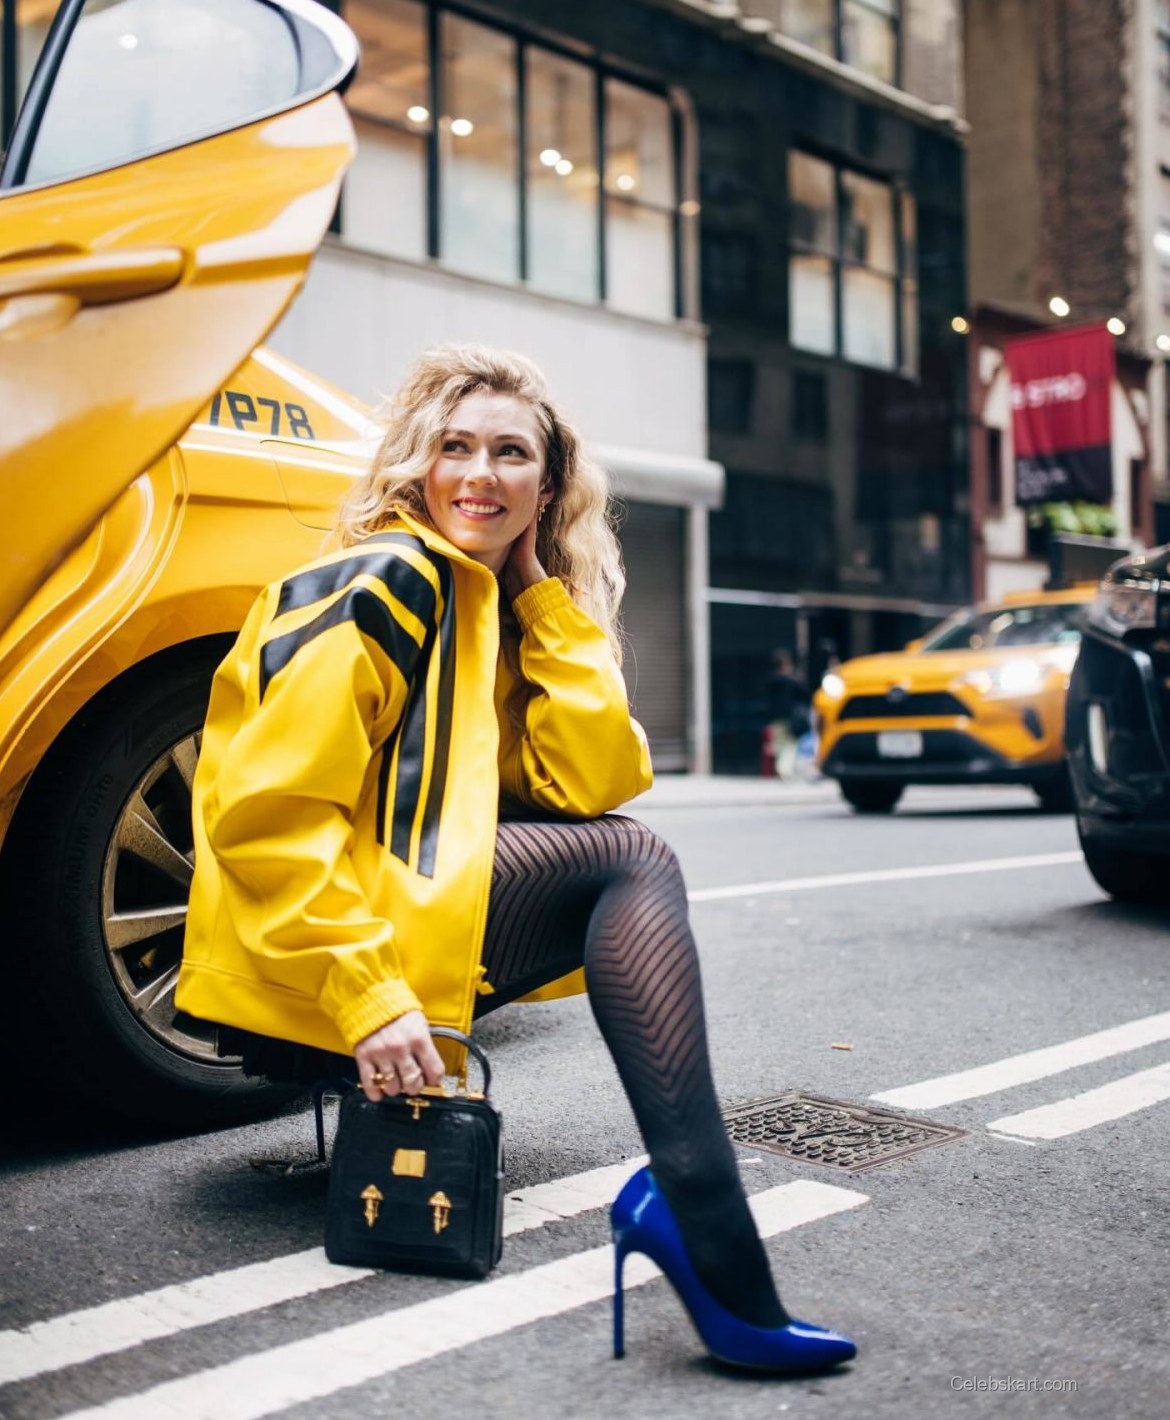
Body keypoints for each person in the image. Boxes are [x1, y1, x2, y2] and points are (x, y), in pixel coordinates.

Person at [176, 345, 855, 1374]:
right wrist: (368, 996)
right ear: (417, 465)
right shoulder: (387, 579)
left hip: (371, 924)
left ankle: (695, 1210)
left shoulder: (488, 606)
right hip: (309, 954)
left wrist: (541, 599)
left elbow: (591, 780)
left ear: (548, 487)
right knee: (635, 864)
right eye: (454, 447)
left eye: (510, 454)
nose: (479, 475)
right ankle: (702, 1208)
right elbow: (264, 817)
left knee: (626, 850)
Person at [764, 649, 811, 780]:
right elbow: (804, 696)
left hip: (775, 717)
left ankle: (781, 767)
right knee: (790, 744)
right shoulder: (792, 681)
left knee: (779, 743)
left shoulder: (770, 681)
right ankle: (784, 769)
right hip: (790, 717)